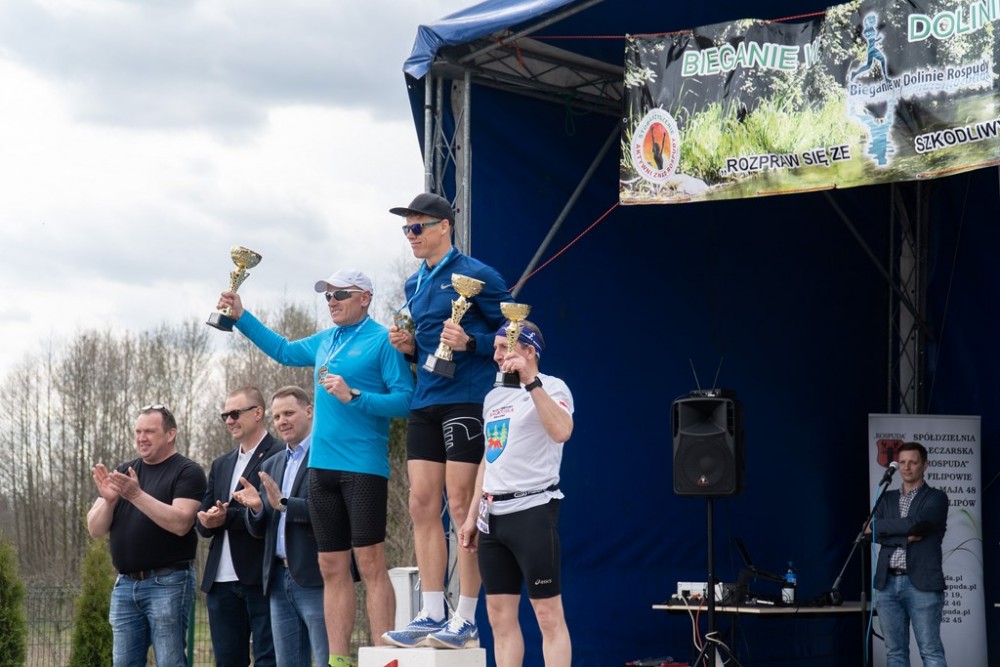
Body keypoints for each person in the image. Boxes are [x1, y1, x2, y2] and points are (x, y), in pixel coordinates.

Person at [217, 268, 414, 667]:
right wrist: (241, 317)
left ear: (364, 298)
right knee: (331, 566)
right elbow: (284, 351)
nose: (332, 301)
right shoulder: (326, 340)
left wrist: (355, 395)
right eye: (327, 295)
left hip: (363, 467)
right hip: (321, 469)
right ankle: (339, 661)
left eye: (340, 294)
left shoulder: (383, 340)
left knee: (370, 563)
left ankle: (385, 659)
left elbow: (406, 400)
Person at [384, 192, 512, 649]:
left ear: (444, 226)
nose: (411, 236)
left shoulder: (479, 275)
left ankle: (466, 617)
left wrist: (471, 342)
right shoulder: (413, 283)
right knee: (421, 504)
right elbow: (429, 345)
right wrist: (410, 348)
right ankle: (431, 611)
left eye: (417, 227)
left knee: (461, 507)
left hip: (467, 401)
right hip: (426, 399)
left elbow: (513, 331)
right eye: (406, 229)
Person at [457, 321, 574, 666]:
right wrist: (471, 516)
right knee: (498, 616)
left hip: (532, 510)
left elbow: (562, 431)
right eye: (494, 348)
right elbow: (490, 457)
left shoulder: (553, 386)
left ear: (529, 350)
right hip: (492, 517)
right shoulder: (494, 396)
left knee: (547, 615)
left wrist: (531, 382)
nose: (495, 355)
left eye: (502, 347)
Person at [86, 405, 207, 667]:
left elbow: (181, 523)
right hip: (125, 585)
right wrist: (109, 501)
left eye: (149, 431)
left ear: (170, 434)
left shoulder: (187, 471)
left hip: (168, 582)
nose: (141, 438)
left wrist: (136, 495)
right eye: (138, 432)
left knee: (169, 662)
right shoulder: (124, 471)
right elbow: (95, 529)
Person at [232, 386, 328, 667]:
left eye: (288, 413)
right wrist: (257, 508)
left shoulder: (327, 454)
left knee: (326, 658)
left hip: (317, 577)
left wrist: (285, 503)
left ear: (309, 412)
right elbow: (261, 527)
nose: (282, 421)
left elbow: (329, 513)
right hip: (277, 580)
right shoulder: (272, 464)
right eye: (276, 417)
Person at [196, 386, 282, 667]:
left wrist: (227, 517)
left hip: (262, 578)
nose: (229, 421)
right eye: (225, 416)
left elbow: (274, 512)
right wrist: (207, 519)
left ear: (257, 413)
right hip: (220, 582)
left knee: (269, 660)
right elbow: (204, 518)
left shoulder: (280, 454)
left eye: (235, 414)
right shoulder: (221, 463)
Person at [871, 441, 949, 667]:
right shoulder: (886, 498)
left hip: (922, 583)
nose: (906, 467)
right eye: (902, 462)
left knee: (930, 651)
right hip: (886, 583)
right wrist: (904, 538)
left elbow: (917, 526)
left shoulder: (936, 497)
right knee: (894, 652)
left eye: (913, 462)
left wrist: (885, 528)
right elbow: (870, 530)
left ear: (925, 465)